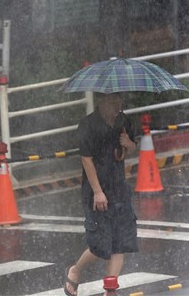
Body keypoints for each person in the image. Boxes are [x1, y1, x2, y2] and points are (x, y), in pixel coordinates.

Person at [63, 93, 138, 296]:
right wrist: (98, 192)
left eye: (119, 100)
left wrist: (128, 144)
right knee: (100, 245)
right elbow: (86, 160)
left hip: (119, 189)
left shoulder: (124, 121)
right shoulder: (88, 125)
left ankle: (110, 290)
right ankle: (76, 270)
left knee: (119, 243)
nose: (116, 105)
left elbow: (132, 148)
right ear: (101, 102)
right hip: (96, 191)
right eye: (111, 101)